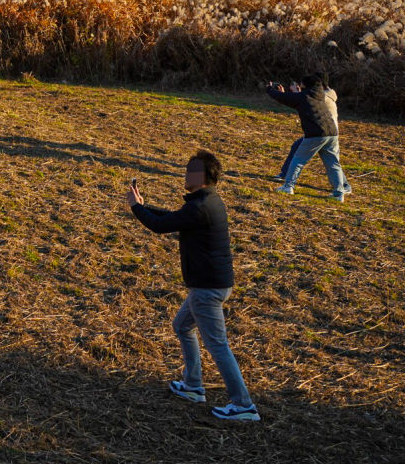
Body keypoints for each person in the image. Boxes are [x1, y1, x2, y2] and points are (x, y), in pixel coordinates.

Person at [126, 150, 260, 422]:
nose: (185, 175)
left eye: (190, 171)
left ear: (201, 177)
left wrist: (135, 207)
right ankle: (192, 386)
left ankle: (243, 405)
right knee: (182, 326)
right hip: (211, 285)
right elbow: (173, 218)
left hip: (206, 290)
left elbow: (160, 226)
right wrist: (144, 205)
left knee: (218, 345)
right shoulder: (207, 202)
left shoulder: (200, 207)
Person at [265, 73, 350, 202]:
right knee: (333, 164)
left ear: (305, 85)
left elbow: (285, 98)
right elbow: (299, 99)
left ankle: (288, 186)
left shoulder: (304, 96)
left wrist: (270, 89)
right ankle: (339, 193)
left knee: (298, 160)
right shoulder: (320, 94)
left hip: (316, 133)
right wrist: (294, 94)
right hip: (332, 132)